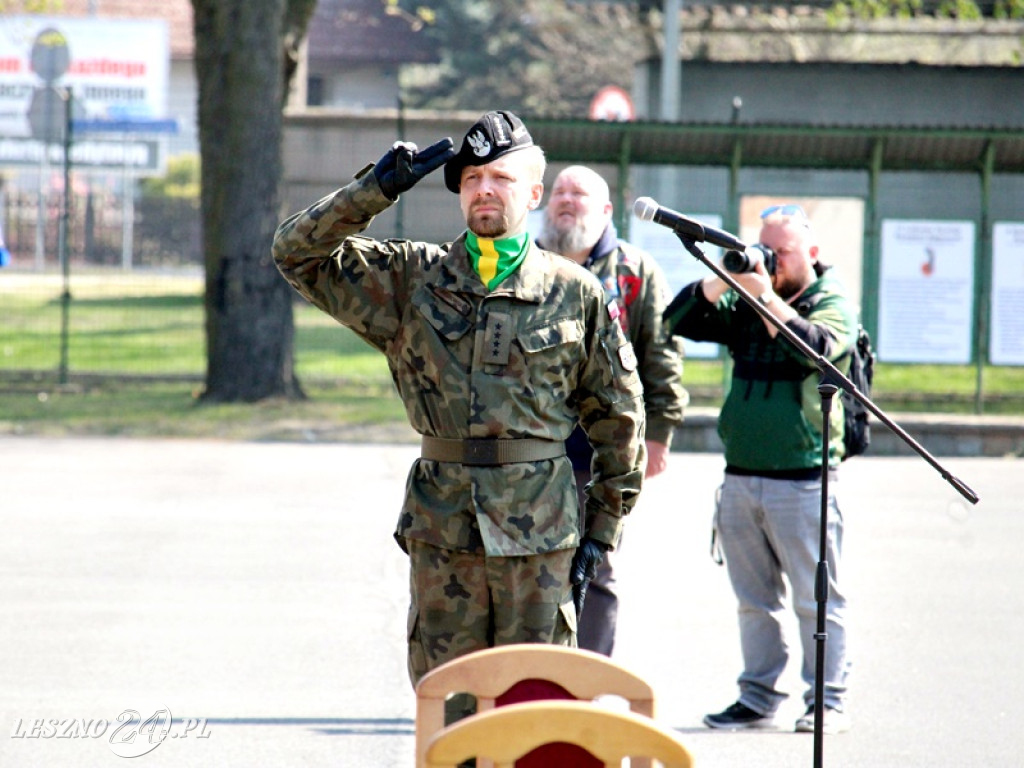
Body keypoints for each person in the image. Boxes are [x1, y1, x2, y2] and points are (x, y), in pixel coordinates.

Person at [272, 111, 646, 696]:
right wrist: (373, 191)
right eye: (470, 179)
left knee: (537, 703)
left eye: (499, 177)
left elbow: (618, 417)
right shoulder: (412, 278)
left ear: (533, 192)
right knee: (450, 705)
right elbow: (296, 253)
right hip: (444, 528)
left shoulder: (575, 291)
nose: (484, 190)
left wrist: (602, 530)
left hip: (541, 535)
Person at [662, 203, 857, 734]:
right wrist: (720, 282)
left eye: (783, 251)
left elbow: (816, 351)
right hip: (742, 475)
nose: (771, 258)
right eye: (765, 247)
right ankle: (758, 696)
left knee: (818, 599)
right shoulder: (748, 295)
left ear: (812, 253)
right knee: (755, 602)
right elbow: (675, 322)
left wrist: (766, 295)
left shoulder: (830, 300)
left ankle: (827, 702)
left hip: (804, 478)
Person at [538, 165, 687, 656]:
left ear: (605, 211)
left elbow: (661, 354)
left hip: (605, 451)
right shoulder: (525, 262)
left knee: (596, 566)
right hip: (529, 447)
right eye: (558, 190)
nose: (565, 199)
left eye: (578, 193)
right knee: (526, 567)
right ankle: (528, 680)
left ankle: (589, 678)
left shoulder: (634, 271)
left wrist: (659, 434)